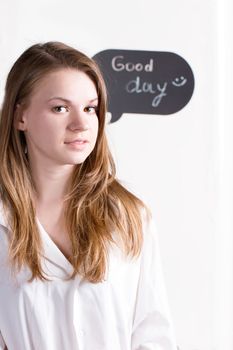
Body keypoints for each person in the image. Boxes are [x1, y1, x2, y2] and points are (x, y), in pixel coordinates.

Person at [0, 41, 177, 350]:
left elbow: (154, 335)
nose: (81, 124)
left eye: (90, 108)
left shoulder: (129, 216)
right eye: (60, 108)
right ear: (20, 117)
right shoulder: (5, 221)